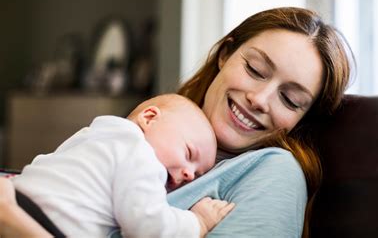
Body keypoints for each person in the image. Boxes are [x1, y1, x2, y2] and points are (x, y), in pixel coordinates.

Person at [0, 7, 353, 237]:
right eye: (255, 70)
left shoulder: (273, 172)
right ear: (225, 55)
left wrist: (16, 224)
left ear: (302, 119)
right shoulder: (143, 136)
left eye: (291, 100)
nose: (260, 100)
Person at [3, 94, 235, 237]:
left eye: (197, 174)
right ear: (149, 118)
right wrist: (198, 222)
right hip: (49, 223)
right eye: (188, 153)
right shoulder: (141, 154)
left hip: (19, 197)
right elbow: (148, 226)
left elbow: (44, 162)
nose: (188, 173)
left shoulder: (97, 133)